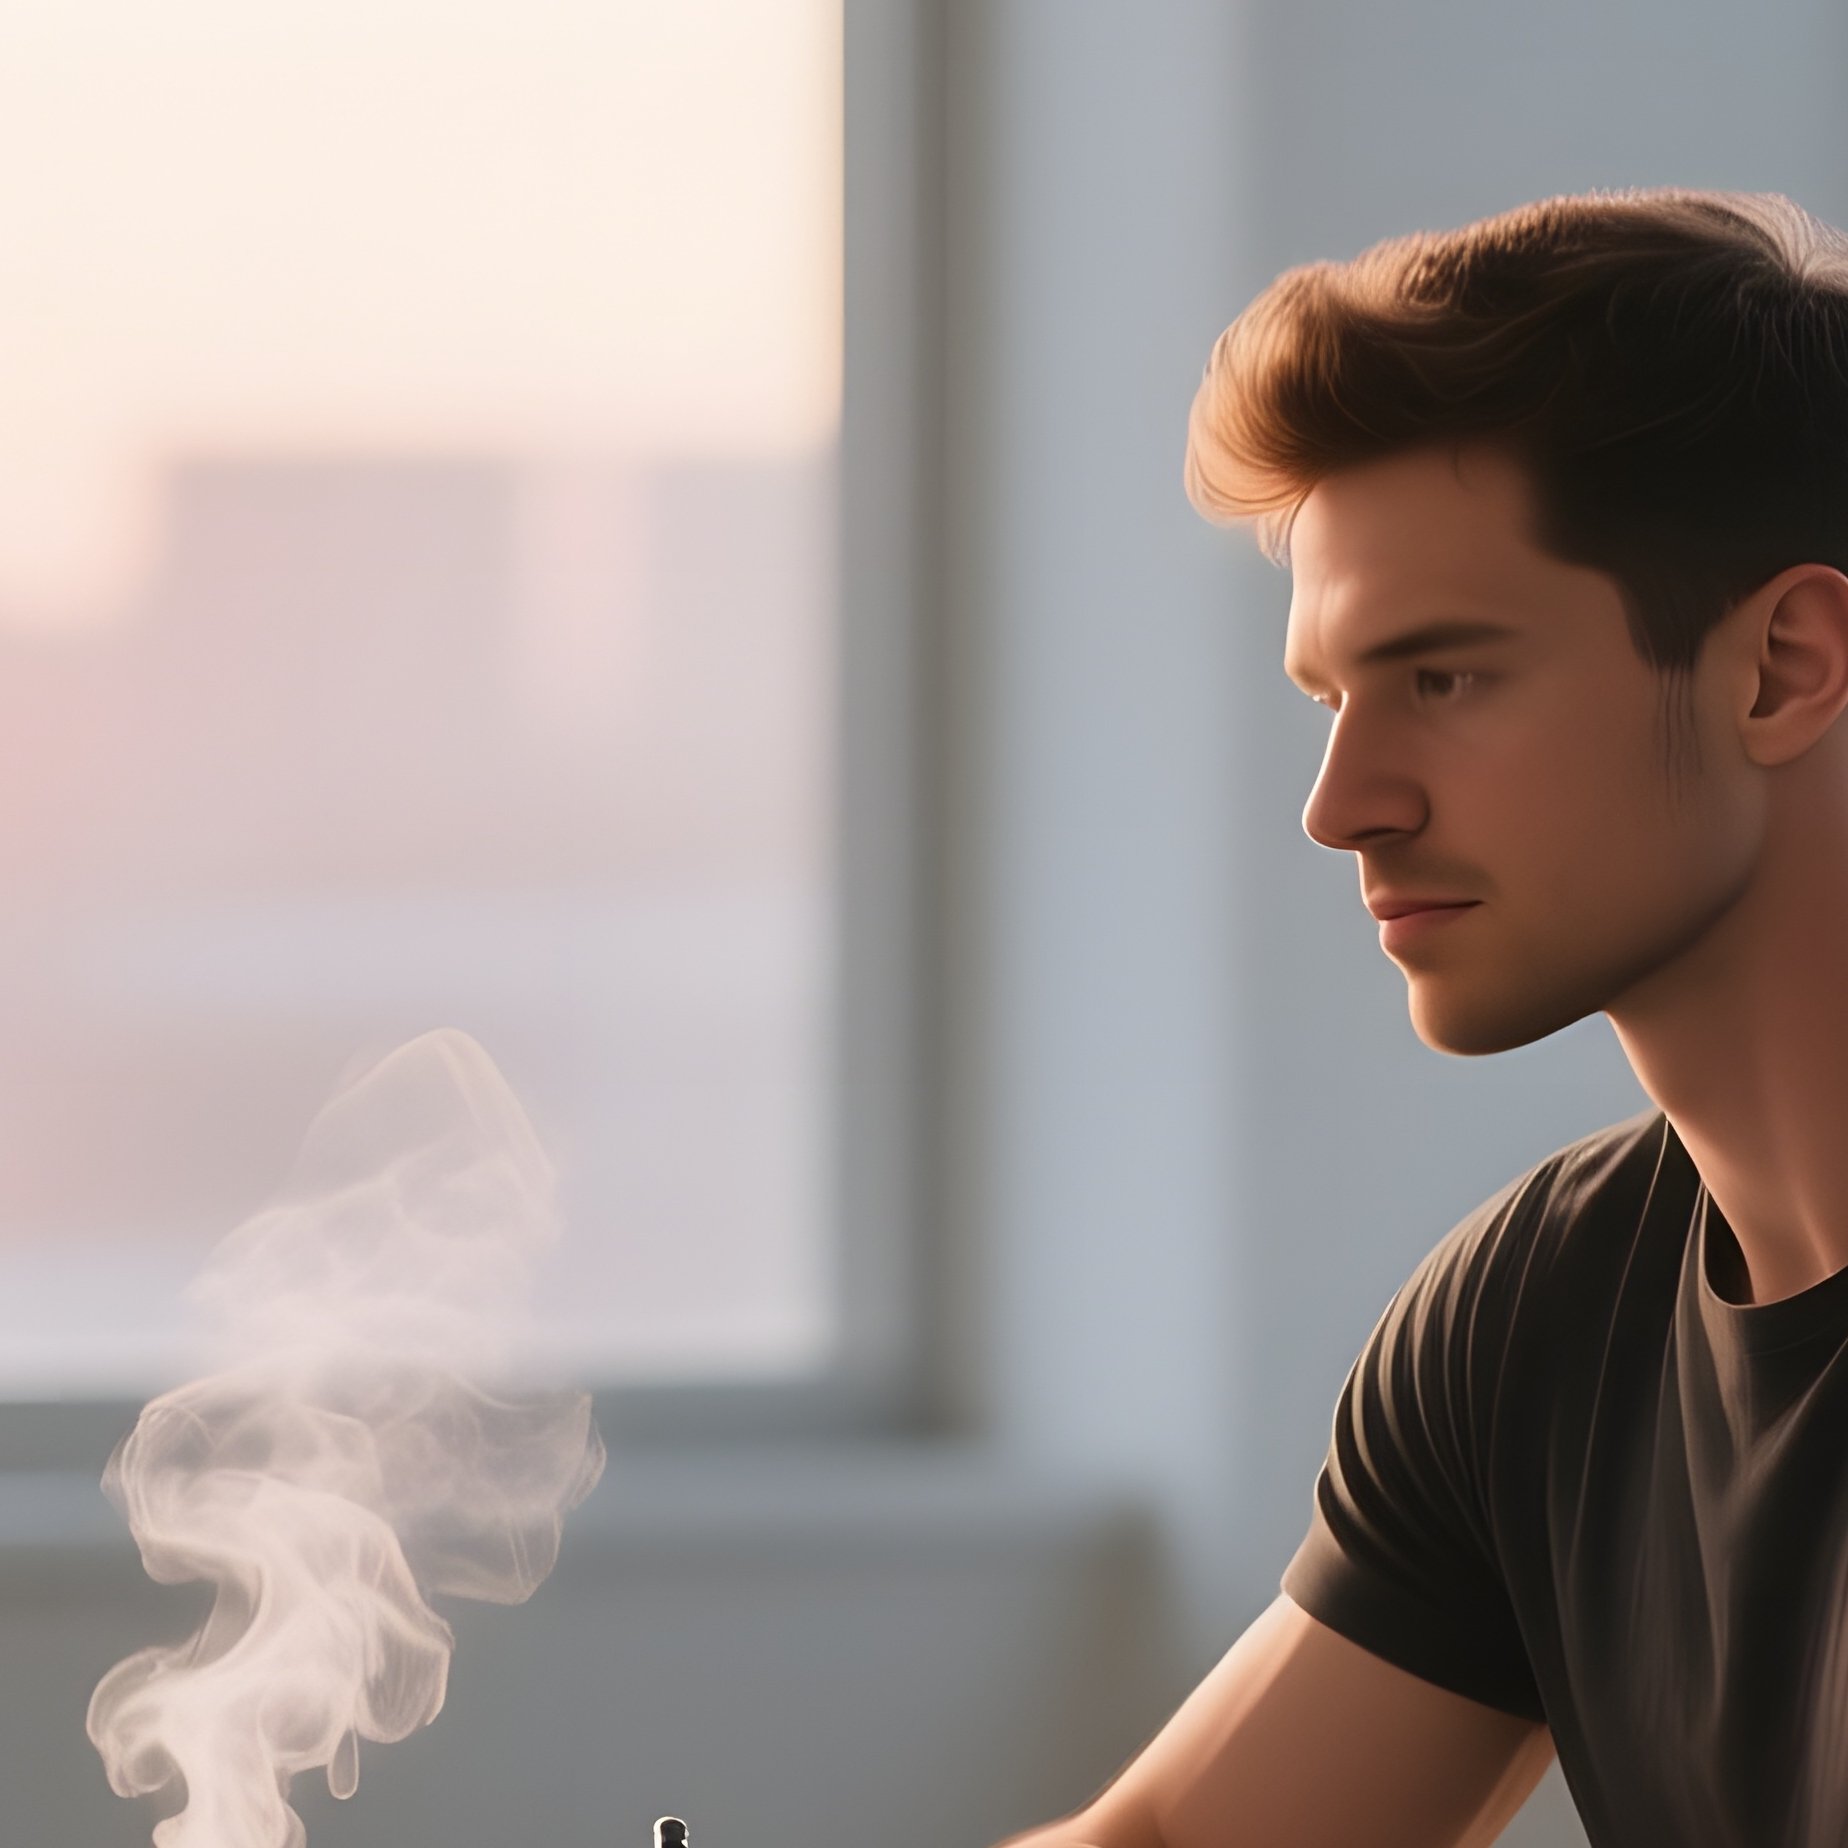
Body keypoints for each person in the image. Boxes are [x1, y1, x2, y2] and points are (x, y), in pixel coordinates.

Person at [994, 186, 1848, 1848]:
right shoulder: (1541, 1319)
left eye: (1444, 678)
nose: (1339, 804)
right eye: (1332, 698)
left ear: (1782, 665)